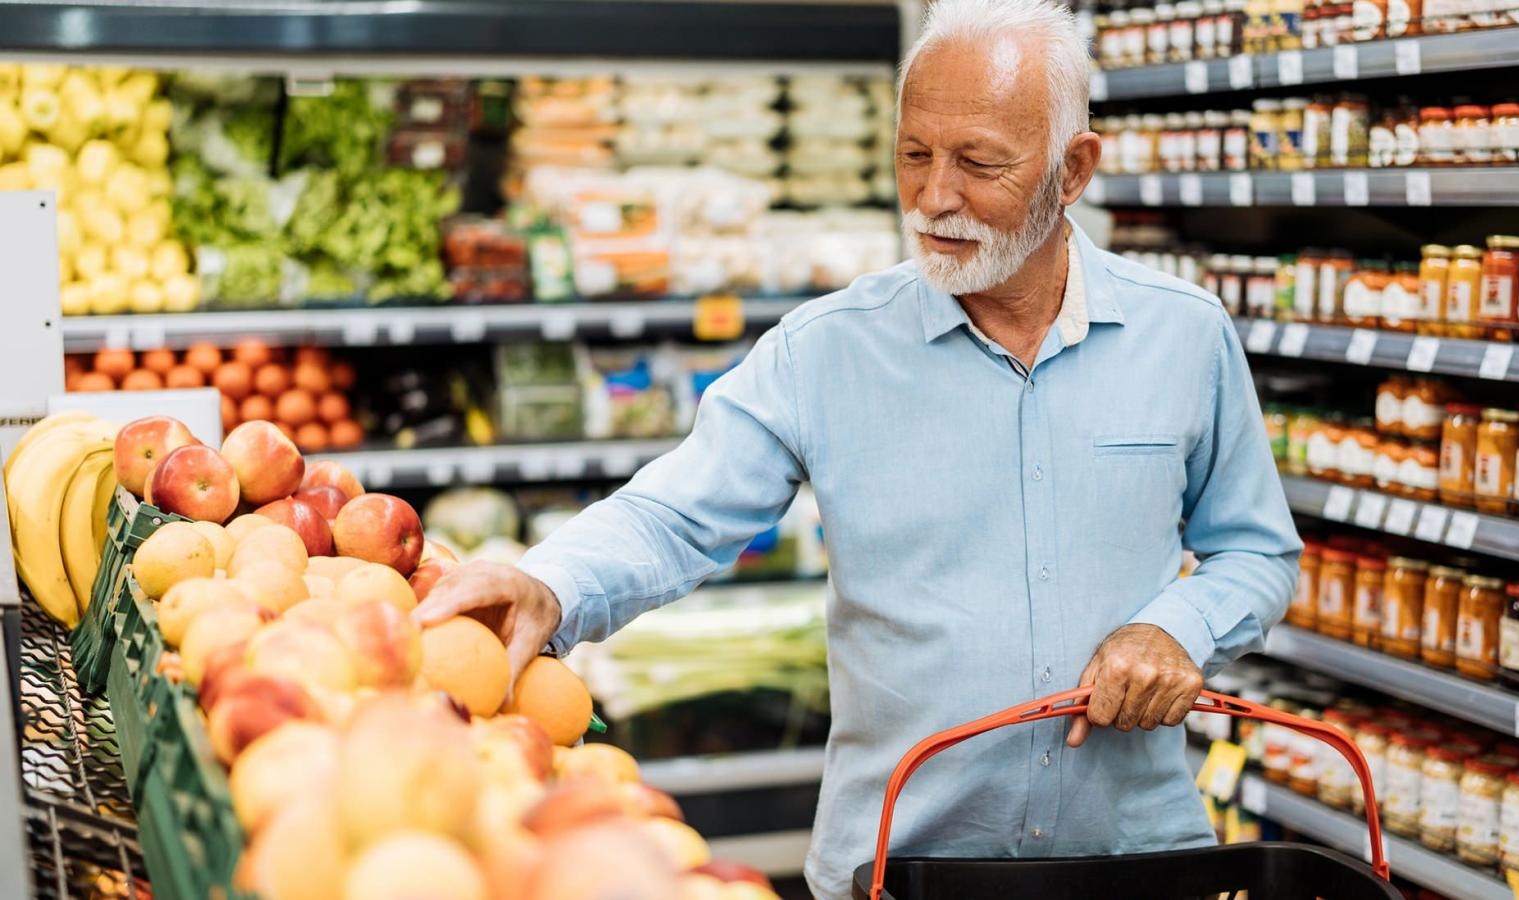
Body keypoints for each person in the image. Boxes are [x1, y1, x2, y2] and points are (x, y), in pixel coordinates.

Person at [414, 0, 1300, 895]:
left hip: (1139, 864)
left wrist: (1175, 628)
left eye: (979, 162)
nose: (935, 196)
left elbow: (1257, 551)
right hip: (902, 866)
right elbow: (675, 516)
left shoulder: (1182, 335)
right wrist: (549, 582)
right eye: (914, 154)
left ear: (1073, 171)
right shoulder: (826, 349)